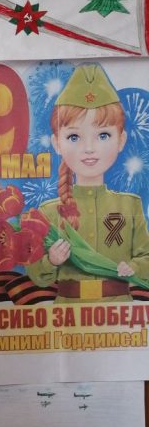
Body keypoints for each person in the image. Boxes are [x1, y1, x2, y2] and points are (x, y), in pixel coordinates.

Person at [26, 63, 149, 302]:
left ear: (121, 140)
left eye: (103, 135)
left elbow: (147, 257)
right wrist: (51, 261)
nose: (89, 148)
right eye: (74, 137)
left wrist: (134, 267)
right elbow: (36, 274)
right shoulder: (49, 212)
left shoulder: (129, 205)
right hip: (67, 313)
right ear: (57, 143)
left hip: (119, 311)